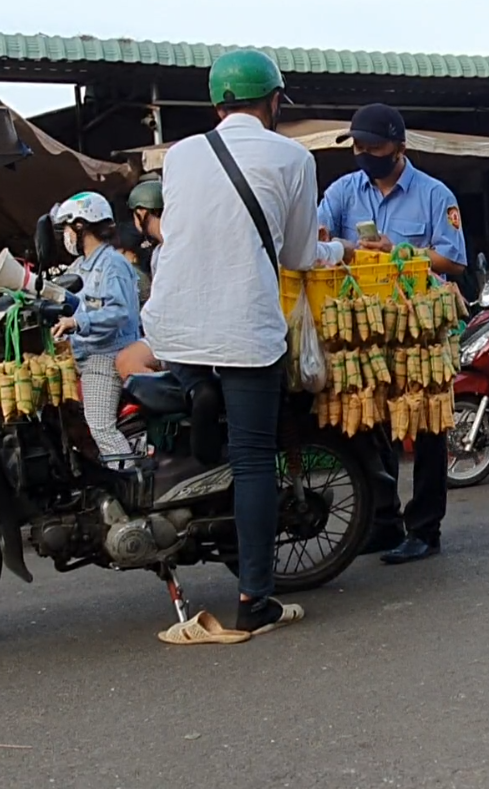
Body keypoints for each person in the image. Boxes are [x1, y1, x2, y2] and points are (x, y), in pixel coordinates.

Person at [144, 49, 349, 634]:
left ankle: (199, 442)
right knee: (256, 459)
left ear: (217, 104)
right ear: (274, 100)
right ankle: (254, 598)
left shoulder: (180, 156)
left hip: (175, 326)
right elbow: (299, 256)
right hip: (244, 330)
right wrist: (341, 251)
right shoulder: (292, 157)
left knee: (197, 414)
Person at [319, 102, 466, 565]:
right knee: (366, 425)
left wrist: (398, 251)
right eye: (358, 146)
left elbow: (453, 260)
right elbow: (318, 236)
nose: (364, 153)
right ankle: (382, 521)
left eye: (373, 147)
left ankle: (425, 529)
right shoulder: (343, 191)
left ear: (399, 148)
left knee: (426, 429)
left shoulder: (434, 194)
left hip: (417, 331)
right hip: (360, 330)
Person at [51, 192, 142, 461]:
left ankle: (128, 478)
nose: (65, 235)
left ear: (81, 226)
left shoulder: (112, 264)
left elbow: (120, 313)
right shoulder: (79, 267)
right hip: (81, 356)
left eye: (67, 227)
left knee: (101, 428)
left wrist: (79, 322)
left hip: (105, 358)